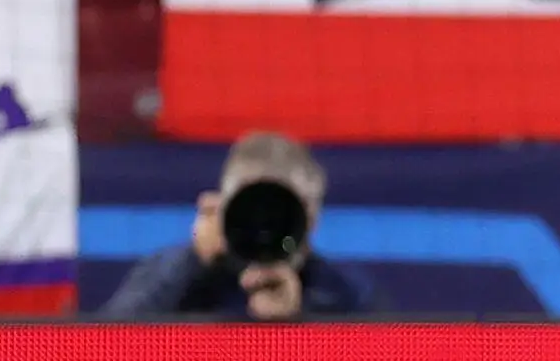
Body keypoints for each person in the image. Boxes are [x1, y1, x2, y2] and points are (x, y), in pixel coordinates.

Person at [100, 132, 378, 320]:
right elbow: (99, 354)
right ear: (224, 209)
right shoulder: (177, 277)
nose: (267, 227)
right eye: (255, 208)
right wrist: (193, 261)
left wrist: (296, 324)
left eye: (283, 214)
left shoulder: (344, 294)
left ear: (312, 220)